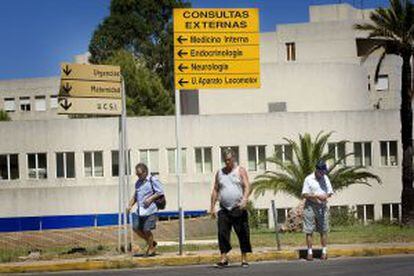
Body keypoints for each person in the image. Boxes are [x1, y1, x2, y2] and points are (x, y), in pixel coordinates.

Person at [210, 148, 252, 268]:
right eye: (225, 160)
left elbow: (247, 186)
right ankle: (224, 258)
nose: (227, 162)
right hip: (224, 208)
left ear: (233, 159)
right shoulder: (220, 173)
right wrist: (212, 207)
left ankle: (244, 258)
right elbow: (215, 189)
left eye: (229, 160)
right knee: (222, 233)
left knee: (243, 233)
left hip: (238, 207)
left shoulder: (240, 170)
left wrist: (244, 199)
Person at [126, 163, 164, 256]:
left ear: (145, 172)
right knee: (135, 227)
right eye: (137, 174)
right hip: (141, 211)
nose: (138, 176)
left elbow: (160, 191)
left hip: (151, 210)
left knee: (146, 229)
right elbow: (135, 196)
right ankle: (151, 242)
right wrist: (130, 205)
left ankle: (151, 248)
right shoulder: (138, 183)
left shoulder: (152, 180)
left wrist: (150, 199)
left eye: (139, 174)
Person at [301, 160, 334, 261]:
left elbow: (330, 192)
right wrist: (316, 196)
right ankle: (309, 253)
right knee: (309, 230)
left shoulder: (325, 178)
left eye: (324, 172)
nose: (323, 174)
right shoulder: (308, 179)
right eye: (321, 172)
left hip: (322, 206)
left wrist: (326, 196)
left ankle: (324, 252)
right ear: (317, 170)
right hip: (310, 205)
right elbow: (304, 194)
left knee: (323, 229)